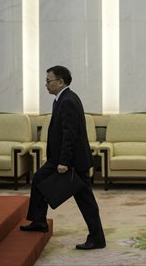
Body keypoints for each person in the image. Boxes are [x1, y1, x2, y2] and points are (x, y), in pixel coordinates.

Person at [20, 65, 106, 250]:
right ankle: (39, 220)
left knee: (85, 201)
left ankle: (97, 238)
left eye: (48, 81)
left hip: (72, 161)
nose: (46, 84)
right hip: (61, 158)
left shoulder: (67, 100)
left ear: (60, 81)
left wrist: (63, 162)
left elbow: (70, 134)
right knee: (39, 180)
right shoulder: (62, 98)